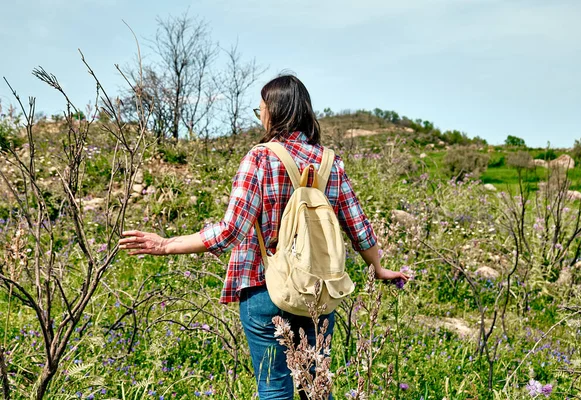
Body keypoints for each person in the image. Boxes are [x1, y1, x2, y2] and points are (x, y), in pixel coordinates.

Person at [119, 74, 409, 399]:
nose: (259, 115)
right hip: (316, 291)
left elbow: (231, 231)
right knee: (316, 388)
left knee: (273, 389)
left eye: (261, 108)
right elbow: (360, 229)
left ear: (274, 111)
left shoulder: (260, 158)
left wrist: (166, 245)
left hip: (264, 287)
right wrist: (379, 269)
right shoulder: (330, 163)